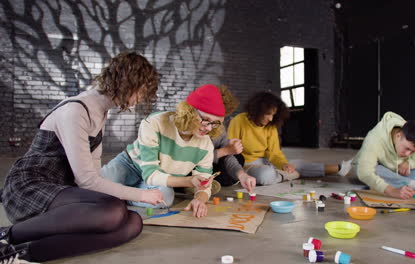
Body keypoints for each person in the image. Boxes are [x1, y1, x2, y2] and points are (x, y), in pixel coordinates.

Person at [0, 51, 162, 263]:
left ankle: (21, 254)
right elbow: (87, 180)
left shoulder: (100, 112)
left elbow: (92, 179)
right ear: (127, 83)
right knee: (113, 211)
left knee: (132, 222)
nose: (141, 99)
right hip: (29, 188)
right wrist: (141, 195)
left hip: (62, 192)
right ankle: (7, 235)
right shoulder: (76, 110)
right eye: (141, 92)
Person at [101, 84, 225, 218]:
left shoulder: (206, 144)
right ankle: (123, 192)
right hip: (130, 166)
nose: (208, 128)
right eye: (205, 120)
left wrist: (200, 199)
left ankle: (123, 195)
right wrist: (189, 181)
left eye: (214, 123)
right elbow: (150, 174)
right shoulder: (155, 122)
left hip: (159, 179)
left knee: (165, 197)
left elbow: (205, 182)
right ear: (190, 112)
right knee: (94, 189)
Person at [227, 91, 351, 186]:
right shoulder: (238, 121)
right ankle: (288, 175)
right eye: (268, 114)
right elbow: (232, 152)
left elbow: (274, 153)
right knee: (266, 175)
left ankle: (340, 168)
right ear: (257, 110)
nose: (271, 119)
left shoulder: (270, 126)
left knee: (296, 164)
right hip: (248, 165)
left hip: (267, 162)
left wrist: (284, 164)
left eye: (273, 115)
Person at [354, 111, 415, 199]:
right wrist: (391, 190)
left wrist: (411, 163)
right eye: (407, 148)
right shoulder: (375, 138)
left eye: (413, 151)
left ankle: (401, 182)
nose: (408, 154)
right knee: (372, 170)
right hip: (383, 170)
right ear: (398, 136)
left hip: (402, 171)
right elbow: (364, 173)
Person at [211, 85, 256, 193]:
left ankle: (211, 182)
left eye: (221, 116)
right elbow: (192, 158)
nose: (217, 123)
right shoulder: (195, 127)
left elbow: (228, 156)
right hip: (192, 167)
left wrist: (242, 175)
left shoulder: (219, 127)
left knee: (237, 157)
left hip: (211, 165)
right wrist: (225, 150)